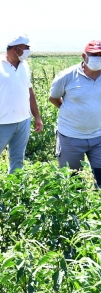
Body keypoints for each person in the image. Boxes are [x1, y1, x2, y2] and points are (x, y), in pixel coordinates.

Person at [0, 34, 43, 177]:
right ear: (15, 48)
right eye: (26, 48)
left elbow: (29, 91)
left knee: (18, 159)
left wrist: (36, 116)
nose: (28, 51)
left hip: (23, 121)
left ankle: (14, 191)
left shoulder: (24, 66)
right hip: (0, 123)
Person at [49, 40, 101, 186]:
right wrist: (71, 112)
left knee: (100, 179)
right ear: (84, 56)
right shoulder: (67, 76)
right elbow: (54, 97)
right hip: (70, 137)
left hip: (98, 136)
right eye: (95, 54)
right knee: (72, 180)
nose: (99, 57)